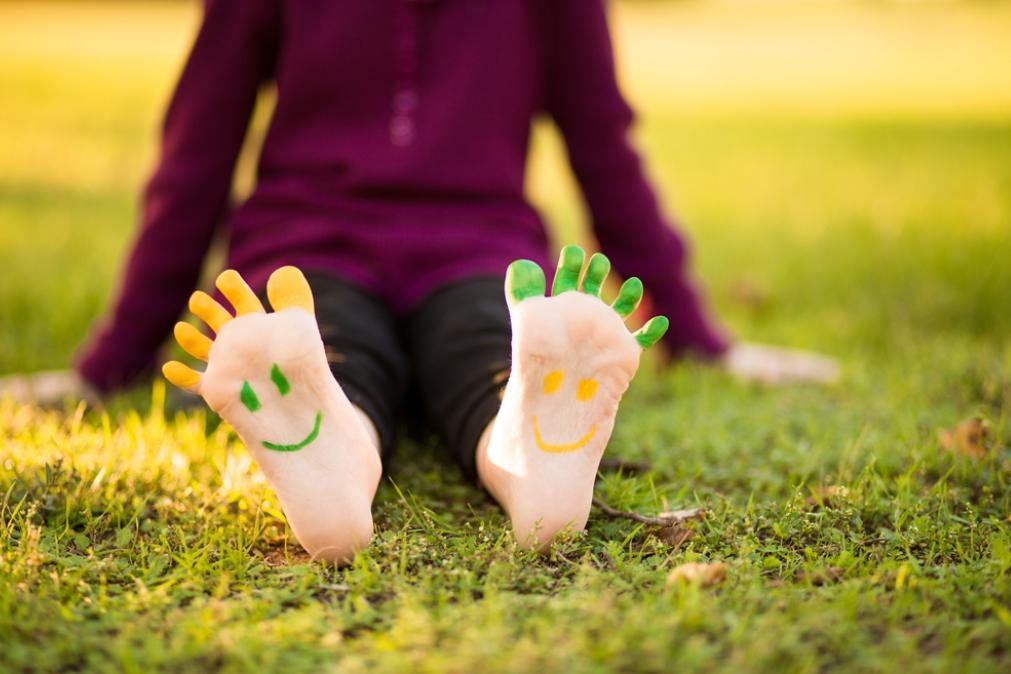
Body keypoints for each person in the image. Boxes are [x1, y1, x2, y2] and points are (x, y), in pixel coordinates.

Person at [0, 1, 837, 560]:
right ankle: (522, 449)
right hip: (475, 246)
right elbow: (605, 154)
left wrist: (105, 365)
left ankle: (335, 453)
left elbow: (196, 157)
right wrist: (699, 336)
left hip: (308, 243)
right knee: (489, 347)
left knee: (330, 354)